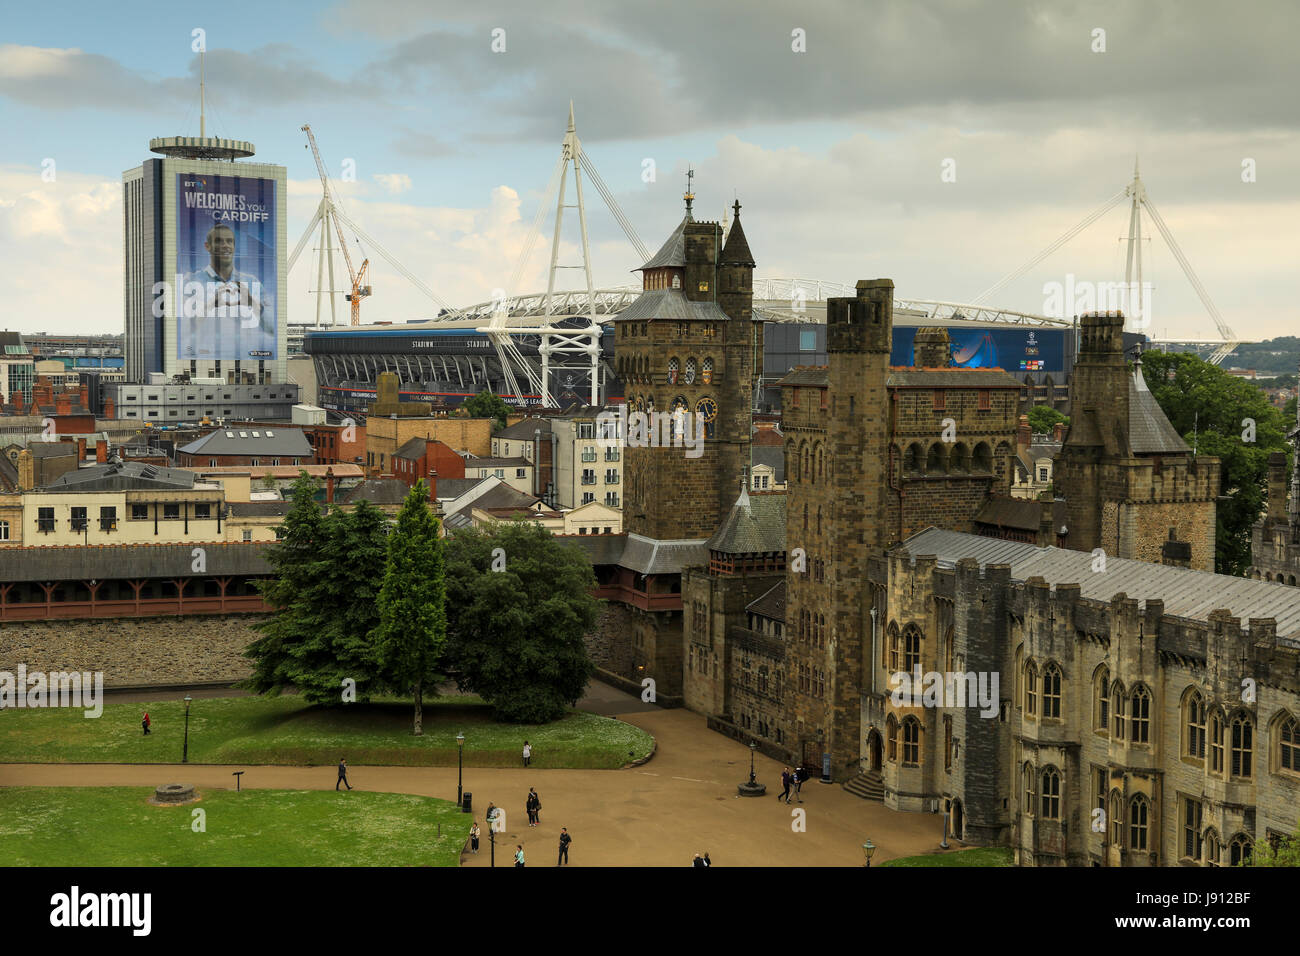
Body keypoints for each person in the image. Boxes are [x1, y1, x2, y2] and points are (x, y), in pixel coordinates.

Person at [179, 223, 275, 359]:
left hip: (245, 363)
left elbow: (273, 330)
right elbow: (180, 331)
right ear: (207, 246)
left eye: (229, 241)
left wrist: (251, 302)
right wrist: (211, 305)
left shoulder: (251, 282)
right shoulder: (191, 281)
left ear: (234, 246)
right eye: (219, 241)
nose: (225, 245)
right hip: (204, 360)